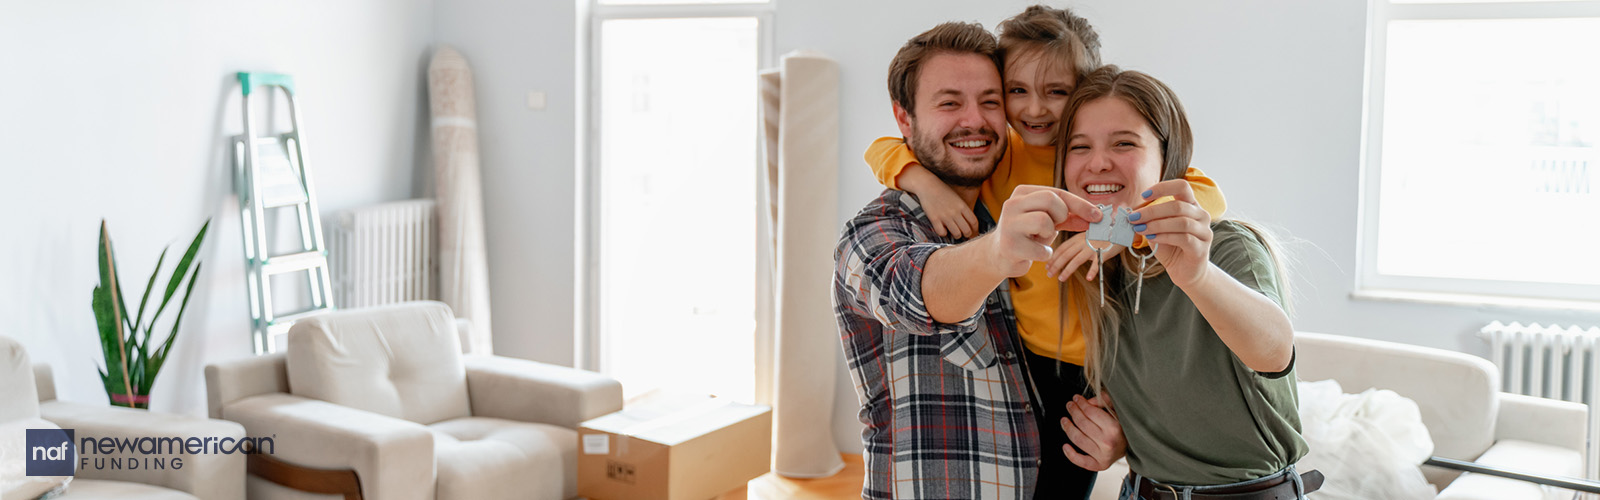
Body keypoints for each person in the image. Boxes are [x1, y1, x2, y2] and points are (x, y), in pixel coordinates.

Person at [862, 6, 1226, 498]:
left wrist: (1120, 233)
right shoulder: (998, 151)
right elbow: (883, 148)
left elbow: (1205, 195)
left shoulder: (1091, 154)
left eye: (1058, 92)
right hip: (1028, 355)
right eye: (1017, 92)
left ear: (1085, 89)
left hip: (1104, 364)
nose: (1035, 110)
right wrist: (926, 184)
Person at [832, 21, 1116, 500]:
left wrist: (1116, 433)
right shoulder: (873, 234)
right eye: (949, 103)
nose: (975, 120)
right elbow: (914, 290)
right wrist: (995, 246)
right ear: (904, 120)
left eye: (990, 101)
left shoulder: (1017, 194)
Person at [1051, 65, 1318, 500]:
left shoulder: (1227, 245)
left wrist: (1198, 276)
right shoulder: (1097, 269)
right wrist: (1123, 439)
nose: (1098, 162)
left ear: (1168, 158)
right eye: (1079, 147)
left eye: (1124, 143)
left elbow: (1275, 352)